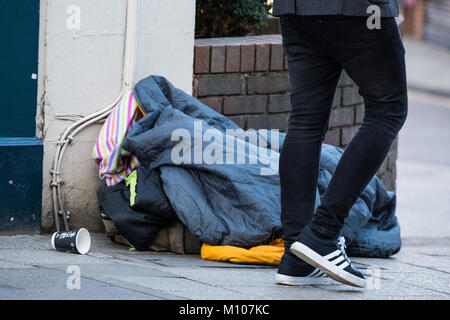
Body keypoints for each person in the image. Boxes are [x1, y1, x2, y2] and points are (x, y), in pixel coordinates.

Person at [272, 0, 408, 287]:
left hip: (296, 9)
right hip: (362, 9)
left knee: (305, 120)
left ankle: (297, 255)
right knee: (388, 109)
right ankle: (322, 233)